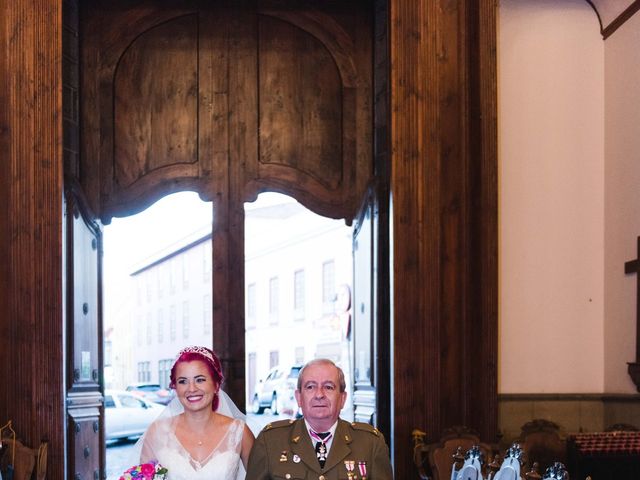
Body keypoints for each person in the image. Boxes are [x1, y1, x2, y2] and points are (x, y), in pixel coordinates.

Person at [246, 358, 394, 479]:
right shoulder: (270, 441)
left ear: (342, 398)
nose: (319, 395)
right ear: (299, 398)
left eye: (328, 387)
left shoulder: (371, 443)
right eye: (310, 387)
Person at [138, 346, 254, 479]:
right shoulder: (157, 432)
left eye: (200, 380)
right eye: (183, 381)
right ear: (175, 387)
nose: (191, 389)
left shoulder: (239, 432)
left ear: (216, 385)